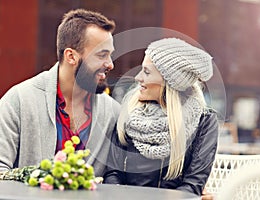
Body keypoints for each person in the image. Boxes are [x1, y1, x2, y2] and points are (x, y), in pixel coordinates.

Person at [0, 9, 120, 177]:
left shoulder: (113, 113)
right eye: (102, 55)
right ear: (71, 56)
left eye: (110, 55)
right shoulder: (18, 101)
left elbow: (115, 175)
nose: (110, 64)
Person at [104, 38, 219, 197]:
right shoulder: (129, 114)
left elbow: (192, 185)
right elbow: (112, 174)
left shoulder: (204, 122)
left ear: (169, 82)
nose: (138, 78)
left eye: (147, 72)